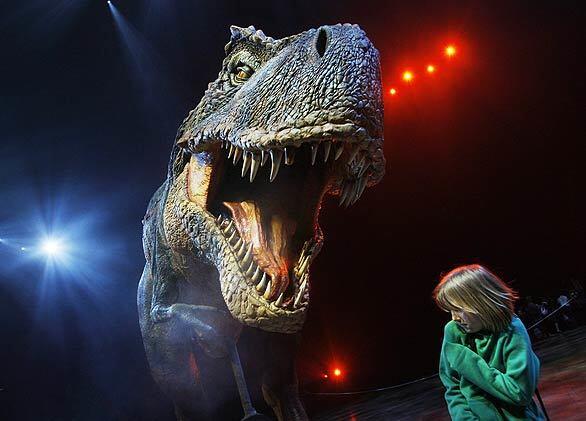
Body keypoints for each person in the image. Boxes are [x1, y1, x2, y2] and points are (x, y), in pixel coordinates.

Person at [433, 264, 545, 420]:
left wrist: (465, 360)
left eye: (458, 309)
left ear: (481, 302)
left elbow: (519, 393)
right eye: (450, 310)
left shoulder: (512, 330)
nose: (454, 318)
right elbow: (453, 388)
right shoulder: (453, 330)